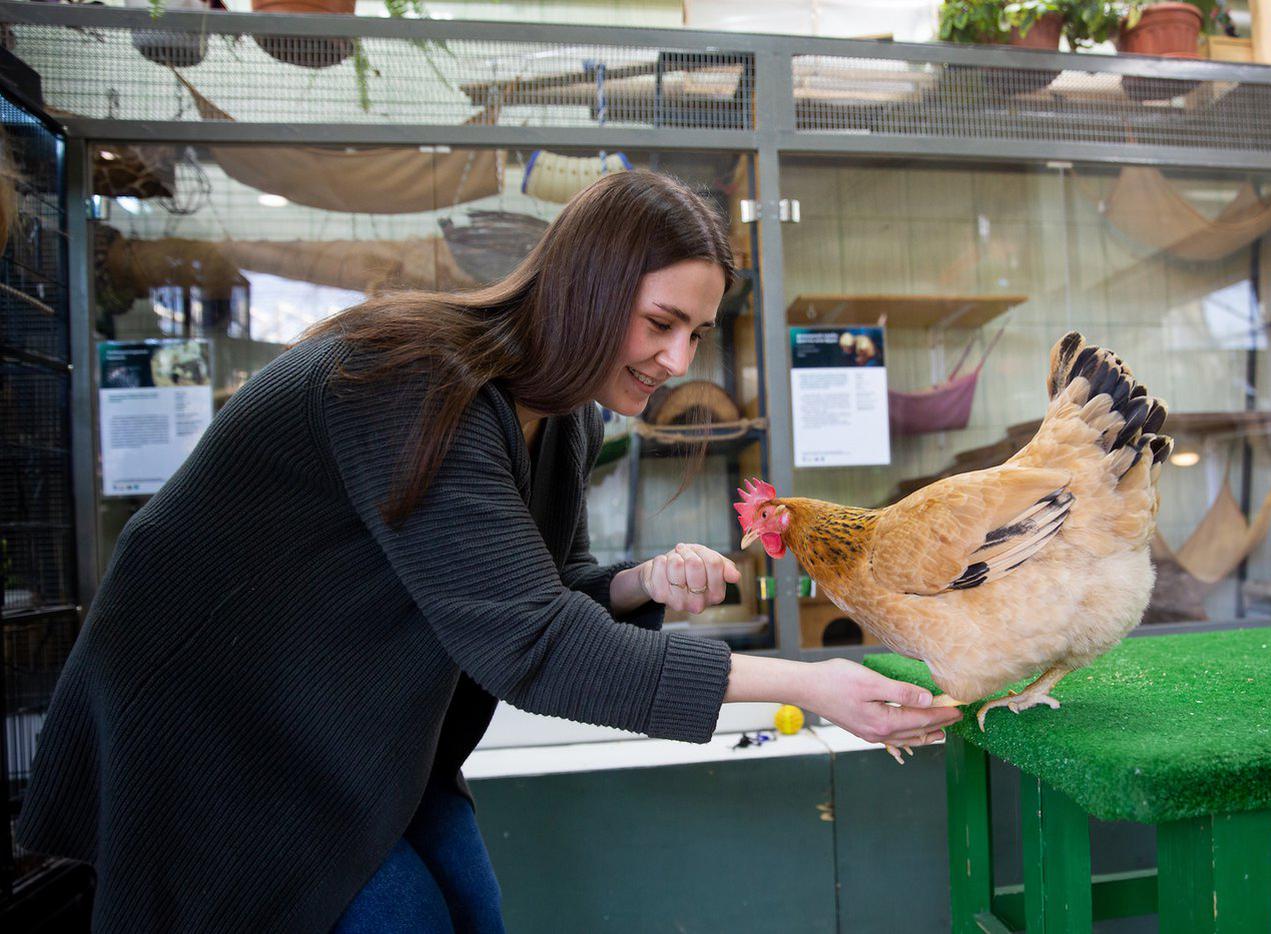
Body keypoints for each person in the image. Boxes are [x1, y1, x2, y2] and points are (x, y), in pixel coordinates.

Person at [15, 171, 961, 932]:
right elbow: (532, 645)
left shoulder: (569, 419)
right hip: (220, 727)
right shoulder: (416, 380)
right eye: (660, 323)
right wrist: (807, 685)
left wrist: (634, 584)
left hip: (349, 725)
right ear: (587, 288)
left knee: (472, 910)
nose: (679, 362)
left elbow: (535, 594)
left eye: (697, 334)